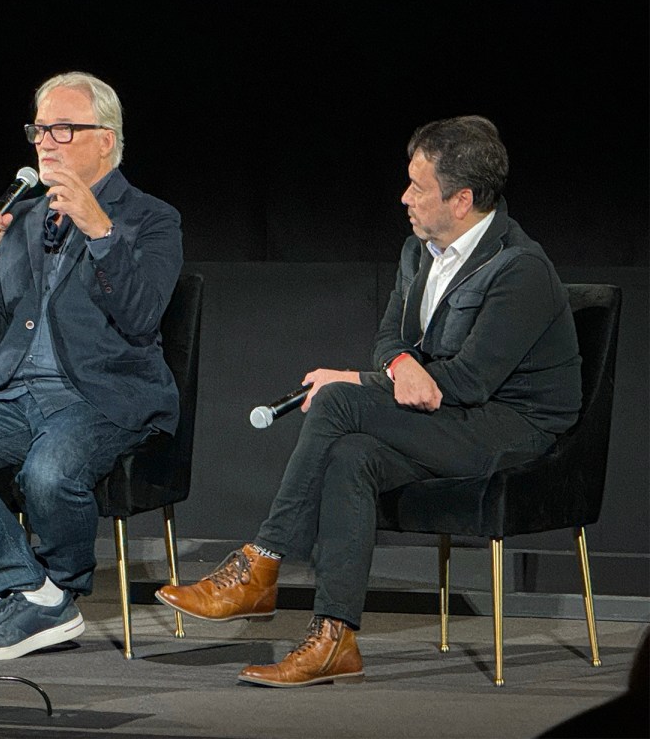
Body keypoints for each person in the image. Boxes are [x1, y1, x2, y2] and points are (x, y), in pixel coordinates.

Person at [157, 115, 581, 687]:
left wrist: (356, 381)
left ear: (462, 200)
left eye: (419, 188)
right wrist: (399, 365)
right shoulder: (418, 251)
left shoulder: (520, 269)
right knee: (351, 455)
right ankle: (334, 637)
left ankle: (260, 563)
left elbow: (469, 382)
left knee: (335, 403)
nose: (404, 197)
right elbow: (390, 341)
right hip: (454, 417)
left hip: (511, 428)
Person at [0, 72, 183, 661]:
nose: (45, 142)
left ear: (106, 139)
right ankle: (35, 592)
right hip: (15, 395)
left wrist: (98, 226)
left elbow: (141, 318)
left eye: (63, 128)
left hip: (103, 397)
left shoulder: (151, 219)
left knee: (49, 472)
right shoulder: (25, 218)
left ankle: (52, 594)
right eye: (39, 129)